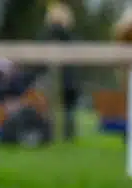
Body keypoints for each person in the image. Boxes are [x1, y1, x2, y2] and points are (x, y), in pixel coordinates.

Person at [42, 2, 79, 141]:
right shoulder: (69, 36)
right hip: (68, 80)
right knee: (69, 111)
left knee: (51, 110)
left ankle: (50, 135)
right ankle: (68, 136)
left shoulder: (45, 35)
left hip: (49, 81)